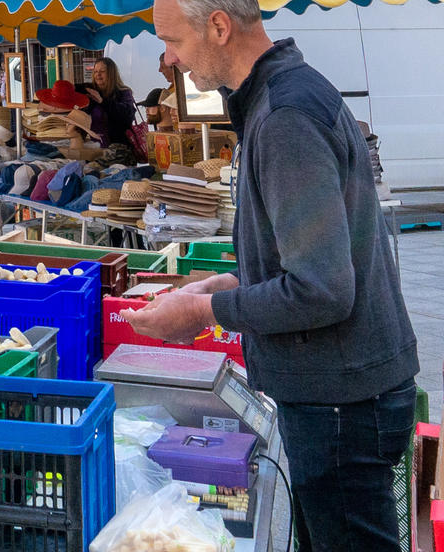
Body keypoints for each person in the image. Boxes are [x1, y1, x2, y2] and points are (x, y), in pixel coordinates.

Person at [123, 1, 419, 550]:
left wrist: (203, 311)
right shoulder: (279, 98)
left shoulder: (285, 117)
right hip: (343, 391)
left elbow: (322, 289)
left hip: (342, 401)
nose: (167, 59)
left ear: (218, 25)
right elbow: (319, 258)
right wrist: (231, 285)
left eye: (173, 41)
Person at [83, 57, 135, 148]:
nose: (98, 74)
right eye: (95, 71)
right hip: (95, 147)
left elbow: (127, 116)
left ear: (111, 74)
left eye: (102, 71)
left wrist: (103, 101)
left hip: (118, 149)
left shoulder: (124, 92)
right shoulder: (91, 93)